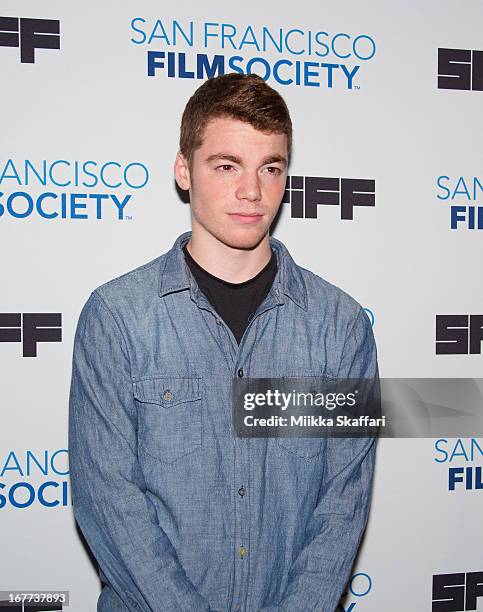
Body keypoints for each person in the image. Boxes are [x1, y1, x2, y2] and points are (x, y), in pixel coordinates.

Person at [69, 72, 379, 612]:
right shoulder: (117, 318)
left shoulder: (342, 326)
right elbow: (110, 503)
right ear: (183, 170)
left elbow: (341, 505)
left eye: (270, 168)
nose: (251, 192)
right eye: (227, 165)